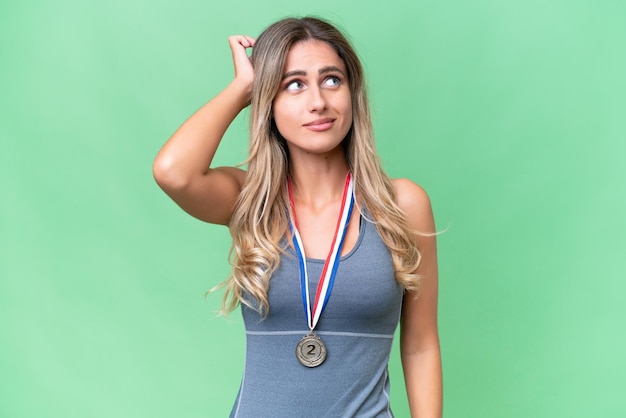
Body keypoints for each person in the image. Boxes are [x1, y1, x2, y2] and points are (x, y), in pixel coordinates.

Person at [153, 16, 442, 418]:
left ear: (352, 93)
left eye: (331, 80)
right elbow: (173, 172)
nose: (318, 102)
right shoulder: (251, 199)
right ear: (267, 101)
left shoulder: (403, 204)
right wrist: (241, 89)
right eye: (293, 84)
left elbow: (421, 344)